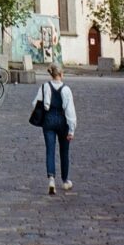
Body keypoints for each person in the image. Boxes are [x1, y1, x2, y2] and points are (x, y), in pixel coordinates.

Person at [32, 63, 77, 194]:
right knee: (64, 151)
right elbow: (70, 111)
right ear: (61, 74)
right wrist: (71, 129)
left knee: (50, 150)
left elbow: (35, 103)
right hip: (63, 120)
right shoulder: (66, 90)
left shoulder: (45, 87)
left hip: (48, 120)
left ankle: (51, 179)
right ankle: (65, 180)